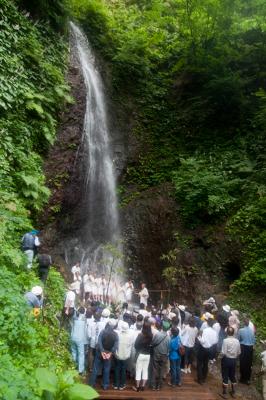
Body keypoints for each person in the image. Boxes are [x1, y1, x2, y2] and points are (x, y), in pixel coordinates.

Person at [89, 320, 119, 390]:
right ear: (114, 326)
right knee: (106, 369)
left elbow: (99, 342)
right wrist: (110, 353)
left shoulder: (103, 331)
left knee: (95, 368)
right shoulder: (116, 334)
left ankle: (91, 384)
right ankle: (105, 385)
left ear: (108, 324)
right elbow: (115, 346)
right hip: (108, 354)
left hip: (100, 352)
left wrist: (102, 351)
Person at [220, 327, 241, 399]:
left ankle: (224, 393)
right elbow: (239, 352)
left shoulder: (225, 340)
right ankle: (233, 392)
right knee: (232, 375)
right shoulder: (237, 341)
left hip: (226, 359)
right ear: (233, 333)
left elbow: (223, 352)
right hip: (233, 360)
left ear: (227, 333)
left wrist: (219, 357)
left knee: (225, 375)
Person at [114, 321, 134, 390]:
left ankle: (116, 384)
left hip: (117, 354)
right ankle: (122, 385)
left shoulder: (117, 334)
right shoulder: (130, 336)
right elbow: (131, 344)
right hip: (125, 356)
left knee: (117, 368)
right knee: (123, 369)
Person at [197, 318, 218, 385]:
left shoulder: (205, 330)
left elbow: (202, 341)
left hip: (203, 348)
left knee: (200, 363)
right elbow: (215, 341)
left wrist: (199, 337)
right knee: (205, 363)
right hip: (210, 349)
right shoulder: (215, 332)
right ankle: (204, 378)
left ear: (208, 323)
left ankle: (200, 379)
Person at [133, 323, 153, 392]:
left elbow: (135, 345)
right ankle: (143, 386)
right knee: (145, 370)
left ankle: (137, 387)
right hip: (148, 355)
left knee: (138, 371)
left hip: (140, 354)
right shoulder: (151, 336)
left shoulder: (140, 335)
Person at [151, 322, 170, 390]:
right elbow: (169, 348)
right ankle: (159, 385)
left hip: (156, 354)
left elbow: (153, 343)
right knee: (161, 370)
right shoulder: (168, 337)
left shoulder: (157, 334)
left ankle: (153, 385)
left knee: (154, 369)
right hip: (164, 355)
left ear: (162, 327)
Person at [238, 318, 256, 385]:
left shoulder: (241, 330)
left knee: (243, 362)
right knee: (249, 363)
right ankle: (247, 379)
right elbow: (254, 341)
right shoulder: (252, 331)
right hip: (250, 348)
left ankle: (242, 378)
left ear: (243, 323)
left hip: (243, 347)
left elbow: (238, 339)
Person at [70, 307, 87, 375]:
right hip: (80, 339)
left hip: (73, 337)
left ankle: (73, 366)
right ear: (84, 312)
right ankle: (80, 370)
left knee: (74, 352)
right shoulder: (84, 319)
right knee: (81, 354)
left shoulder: (74, 318)